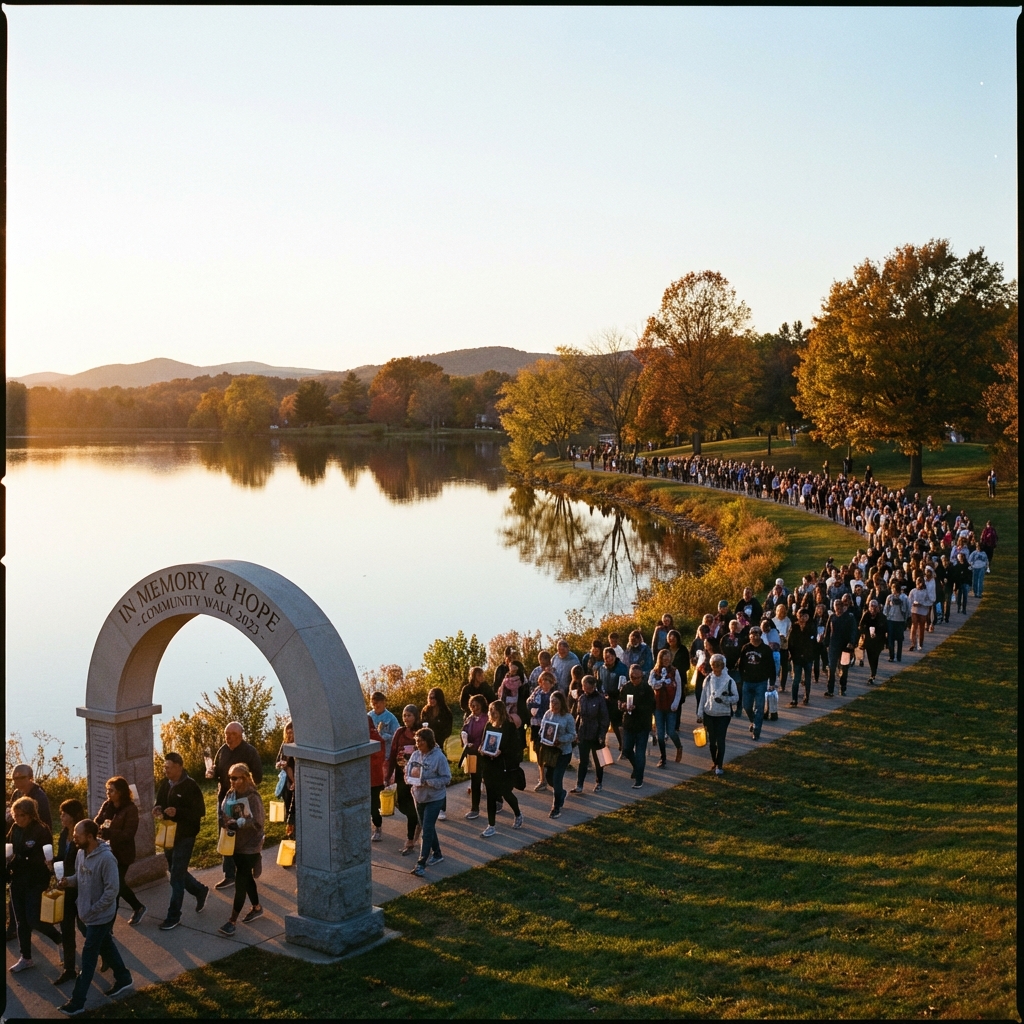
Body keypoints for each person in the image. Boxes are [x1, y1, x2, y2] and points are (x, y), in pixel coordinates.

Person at [58, 819, 133, 1015]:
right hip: (86, 914)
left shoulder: (107, 859)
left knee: (88, 959)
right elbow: (80, 878)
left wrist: (92, 910)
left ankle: (77, 1002)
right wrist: (68, 882)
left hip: (100, 916)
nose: (74, 838)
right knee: (106, 945)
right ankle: (124, 978)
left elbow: (112, 891)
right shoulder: (82, 853)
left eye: (77, 835)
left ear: (90, 836)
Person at [6, 796, 62, 974]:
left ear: (30, 815)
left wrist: (23, 858)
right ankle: (26, 957)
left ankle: (60, 939)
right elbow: (9, 847)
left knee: (34, 919)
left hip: (36, 880)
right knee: (20, 920)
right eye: (15, 815)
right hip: (18, 879)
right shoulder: (15, 829)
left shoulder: (41, 830)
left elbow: (45, 858)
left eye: (21, 815)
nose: (17, 818)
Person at [153, 753, 208, 931]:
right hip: (169, 834)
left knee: (176, 876)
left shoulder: (190, 786)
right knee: (175, 869)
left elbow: (199, 811)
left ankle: (173, 916)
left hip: (185, 835)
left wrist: (178, 812)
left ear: (179, 766)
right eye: (165, 767)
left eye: (168, 767)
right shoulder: (165, 784)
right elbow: (160, 802)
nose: (165, 770)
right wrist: (158, 808)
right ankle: (199, 890)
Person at [208, 722, 262, 891]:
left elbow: (258, 776)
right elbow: (218, 770)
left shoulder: (250, 752)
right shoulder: (222, 750)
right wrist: (212, 773)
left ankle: (255, 857)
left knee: (247, 832)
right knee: (226, 833)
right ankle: (229, 874)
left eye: (232, 734)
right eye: (226, 734)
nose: (228, 737)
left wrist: (246, 786)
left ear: (240, 735)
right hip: (225, 798)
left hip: (244, 800)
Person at [216, 763, 265, 936]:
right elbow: (222, 813)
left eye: (235, 778)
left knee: (241, 881)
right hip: (235, 844)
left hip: (251, 846)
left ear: (245, 778)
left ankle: (232, 921)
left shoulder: (253, 797)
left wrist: (241, 823)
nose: (232, 781)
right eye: (230, 778)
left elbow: (258, 822)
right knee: (246, 877)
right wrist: (226, 821)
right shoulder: (230, 794)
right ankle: (257, 907)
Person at [6, 763, 53, 942]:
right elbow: (14, 820)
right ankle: (15, 929)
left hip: (34, 852)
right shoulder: (17, 794)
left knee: (29, 896)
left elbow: (44, 825)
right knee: (16, 890)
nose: (16, 782)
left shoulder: (39, 797)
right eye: (14, 778)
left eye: (20, 778)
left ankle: (47, 931)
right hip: (18, 848)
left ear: (30, 778)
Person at [93, 777, 145, 927]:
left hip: (122, 854)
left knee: (115, 885)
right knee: (115, 885)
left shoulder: (130, 809)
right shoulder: (107, 805)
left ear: (121, 792)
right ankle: (137, 907)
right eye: (107, 790)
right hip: (106, 851)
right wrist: (96, 828)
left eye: (111, 790)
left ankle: (109, 925)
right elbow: (97, 821)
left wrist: (110, 833)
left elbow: (129, 833)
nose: (108, 793)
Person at [405, 728, 452, 877]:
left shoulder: (439, 757)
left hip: (434, 798)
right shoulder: (415, 755)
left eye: (421, 741)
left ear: (429, 741)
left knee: (426, 830)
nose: (418, 744)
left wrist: (428, 782)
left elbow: (446, 778)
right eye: (416, 741)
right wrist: (410, 779)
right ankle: (437, 854)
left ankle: (421, 863)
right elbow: (408, 773)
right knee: (428, 826)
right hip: (418, 797)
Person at [53, 799, 87, 986]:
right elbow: (61, 858)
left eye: (64, 813)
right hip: (66, 886)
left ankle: (106, 953)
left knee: (85, 927)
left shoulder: (81, 835)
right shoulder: (63, 834)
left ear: (73, 815)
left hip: (80, 887)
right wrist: (52, 863)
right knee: (66, 928)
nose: (61, 817)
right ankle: (69, 968)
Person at [479, 701, 523, 837]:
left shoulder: (509, 726)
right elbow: (484, 742)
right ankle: (491, 825)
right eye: (491, 710)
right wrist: (482, 749)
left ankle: (518, 813)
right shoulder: (488, 725)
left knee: (505, 792)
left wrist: (501, 752)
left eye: (495, 710)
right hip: (489, 764)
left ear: (501, 711)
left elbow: (515, 747)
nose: (492, 713)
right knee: (491, 796)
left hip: (503, 765)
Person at [386, 706, 423, 856]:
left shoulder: (420, 733)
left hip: (415, 777)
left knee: (413, 809)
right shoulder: (400, 733)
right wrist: (387, 775)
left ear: (415, 716)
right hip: (402, 776)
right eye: (404, 715)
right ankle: (417, 823)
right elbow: (393, 753)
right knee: (401, 804)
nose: (406, 718)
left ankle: (410, 841)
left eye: (409, 715)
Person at [696, 654, 739, 776]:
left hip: (723, 715)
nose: (716, 667)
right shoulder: (708, 679)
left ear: (723, 665)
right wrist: (700, 713)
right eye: (714, 665)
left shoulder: (729, 681)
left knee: (720, 740)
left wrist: (725, 699)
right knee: (712, 741)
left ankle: (719, 765)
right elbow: (703, 697)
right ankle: (714, 761)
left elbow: (736, 697)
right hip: (709, 713)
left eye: (719, 664)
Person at [618, 665, 656, 789]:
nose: (634, 680)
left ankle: (639, 779)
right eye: (632, 677)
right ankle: (636, 767)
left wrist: (637, 708)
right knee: (627, 750)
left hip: (642, 725)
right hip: (629, 724)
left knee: (640, 753)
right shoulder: (626, 687)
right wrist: (623, 706)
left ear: (642, 676)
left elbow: (651, 707)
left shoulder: (647, 689)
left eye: (637, 677)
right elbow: (619, 702)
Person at [539, 691, 576, 818]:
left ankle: (556, 807)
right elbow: (542, 729)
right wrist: (545, 735)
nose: (553, 705)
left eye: (556, 703)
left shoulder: (568, 717)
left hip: (563, 752)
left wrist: (560, 739)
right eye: (551, 702)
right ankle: (561, 793)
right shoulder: (548, 714)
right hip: (550, 752)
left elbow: (573, 735)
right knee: (549, 778)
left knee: (557, 778)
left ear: (561, 703)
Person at [573, 675, 610, 793]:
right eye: (583, 686)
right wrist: (576, 730)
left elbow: (604, 718)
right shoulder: (581, 698)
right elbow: (578, 715)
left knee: (599, 760)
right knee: (583, 761)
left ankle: (599, 782)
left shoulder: (600, 699)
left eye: (587, 686)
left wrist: (602, 734)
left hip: (596, 733)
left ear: (593, 686)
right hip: (584, 732)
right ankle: (579, 784)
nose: (585, 688)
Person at [421, 688, 454, 820]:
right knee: (426, 777)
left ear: (439, 698)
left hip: (438, 745)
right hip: (426, 747)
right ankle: (426, 804)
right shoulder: (425, 711)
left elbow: (447, 731)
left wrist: (435, 737)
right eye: (429, 697)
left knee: (440, 778)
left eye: (433, 697)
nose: (431, 700)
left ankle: (442, 808)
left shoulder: (446, 713)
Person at [738, 626, 776, 740]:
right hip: (748, 681)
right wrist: (742, 678)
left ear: (760, 636)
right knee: (747, 706)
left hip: (761, 682)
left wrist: (772, 682)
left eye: (756, 635)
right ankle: (753, 721)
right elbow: (741, 665)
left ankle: (756, 730)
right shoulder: (745, 648)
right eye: (752, 635)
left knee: (759, 707)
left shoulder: (766, 649)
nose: (754, 637)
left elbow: (771, 666)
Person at [649, 649, 683, 766]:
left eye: (668, 659)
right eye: (664, 659)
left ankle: (679, 746)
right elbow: (651, 684)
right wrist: (660, 682)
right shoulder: (654, 672)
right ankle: (663, 758)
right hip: (658, 706)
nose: (666, 661)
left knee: (671, 731)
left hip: (671, 705)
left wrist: (676, 703)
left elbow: (679, 688)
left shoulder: (674, 672)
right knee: (660, 734)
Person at [460, 694, 489, 820]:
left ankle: (497, 800)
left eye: (476, 705)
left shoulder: (486, 718)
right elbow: (464, 730)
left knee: (488, 778)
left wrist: (476, 745)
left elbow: (486, 735)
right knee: (475, 781)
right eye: (472, 705)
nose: (474, 707)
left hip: (483, 753)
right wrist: (465, 741)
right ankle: (475, 808)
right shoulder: (469, 718)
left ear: (482, 705)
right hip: (472, 753)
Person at [594, 646, 628, 750]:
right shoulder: (601, 669)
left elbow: (625, 685)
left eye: (609, 656)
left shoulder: (622, 668)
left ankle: (624, 746)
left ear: (614, 656)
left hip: (617, 698)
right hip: (605, 700)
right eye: (605, 657)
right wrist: (601, 693)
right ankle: (602, 751)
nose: (607, 659)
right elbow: (598, 683)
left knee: (617, 724)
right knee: (603, 725)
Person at [526, 670, 555, 792]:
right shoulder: (536, 692)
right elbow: (528, 702)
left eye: (548, 681)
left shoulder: (554, 694)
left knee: (549, 752)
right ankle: (542, 779)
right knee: (538, 752)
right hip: (536, 725)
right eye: (543, 681)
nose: (545, 684)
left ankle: (551, 778)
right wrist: (532, 707)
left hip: (550, 726)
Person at [823, 599, 858, 697]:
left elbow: (853, 631)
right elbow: (828, 631)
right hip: (833, 646)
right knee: (831, 668)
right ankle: (830, 690)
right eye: (836, 605)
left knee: (844, 668)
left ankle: (843, 688)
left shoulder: (849, 617)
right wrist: (826, 643)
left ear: (843, 606)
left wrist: (851, 642)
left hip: (845, 647)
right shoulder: (832, 617)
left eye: (839, 605)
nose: (837, 607)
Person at [787, 607, 816, 706]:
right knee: (796, 679)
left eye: (805, 616)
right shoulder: (794, 627)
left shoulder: (811, 627)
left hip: (808, 657)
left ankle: (806, 696)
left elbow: (814, 643)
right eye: (801, 616)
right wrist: (791, 653)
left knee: (807, 679)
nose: (803, 618)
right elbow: (790, 642)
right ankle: (794, 699)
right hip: (797, 657)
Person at [858, 600, 888, 685]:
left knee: (875, 657)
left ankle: (873, 674)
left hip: (878, 641)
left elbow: (885, 628)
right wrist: (866, 632)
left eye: (875, 607)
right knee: (870, 657)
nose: (873, 609)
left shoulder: (882, 616)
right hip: (868, 640)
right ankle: (873, 673)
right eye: (872, 607)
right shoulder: (866, 615)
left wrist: (878, 633)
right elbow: (860, 626)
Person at [274, 721, 296, 838]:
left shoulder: (299, 746)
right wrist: (280, 764)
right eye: (287, 733)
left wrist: (296, 782)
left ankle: (294, 830)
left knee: (296, 809)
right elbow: (278, 760)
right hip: (287, 783)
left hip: (297, 781)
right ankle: (290, 832)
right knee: (288, 807)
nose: (290, 736)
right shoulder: (285, 744)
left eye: (292, 733)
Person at [368, 692, 400, 761]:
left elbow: (397, 736)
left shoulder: (391, 718)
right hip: (372, 755)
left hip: (387, 755)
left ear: (383, 702)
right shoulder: (369, 717)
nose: (375, 706)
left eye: (377, 704)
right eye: (374, 704)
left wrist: (383, 736)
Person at [368, 720, 386, 842]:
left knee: (373, 805)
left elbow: (379, 756)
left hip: (374, 778)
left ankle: (378, 826)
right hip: (365, 777)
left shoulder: (375, 737)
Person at [884, 584, 910, 662]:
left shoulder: (904, 597)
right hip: (891, 620)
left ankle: (899, 656)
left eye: (895, 590)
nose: (894, 591)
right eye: (892, 589)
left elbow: (906, 609)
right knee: (890, 639)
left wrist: (906, 620)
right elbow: (886, 609)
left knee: (899, 639)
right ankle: (891, 656)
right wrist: (886, 617)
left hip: (900, 620)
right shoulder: (889, 597)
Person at [908, 577, 930, 652]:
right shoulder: (913, 591)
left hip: (923, 611)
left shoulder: (926, 592)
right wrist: (912, 604)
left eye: (920, 582)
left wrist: (922, 604)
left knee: (921, 627)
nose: (919, 584)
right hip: (914, 610)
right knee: (914, 626)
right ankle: (913, 643)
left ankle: (920, 643)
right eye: (918, 582)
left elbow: (929, 602)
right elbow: (909, 601)